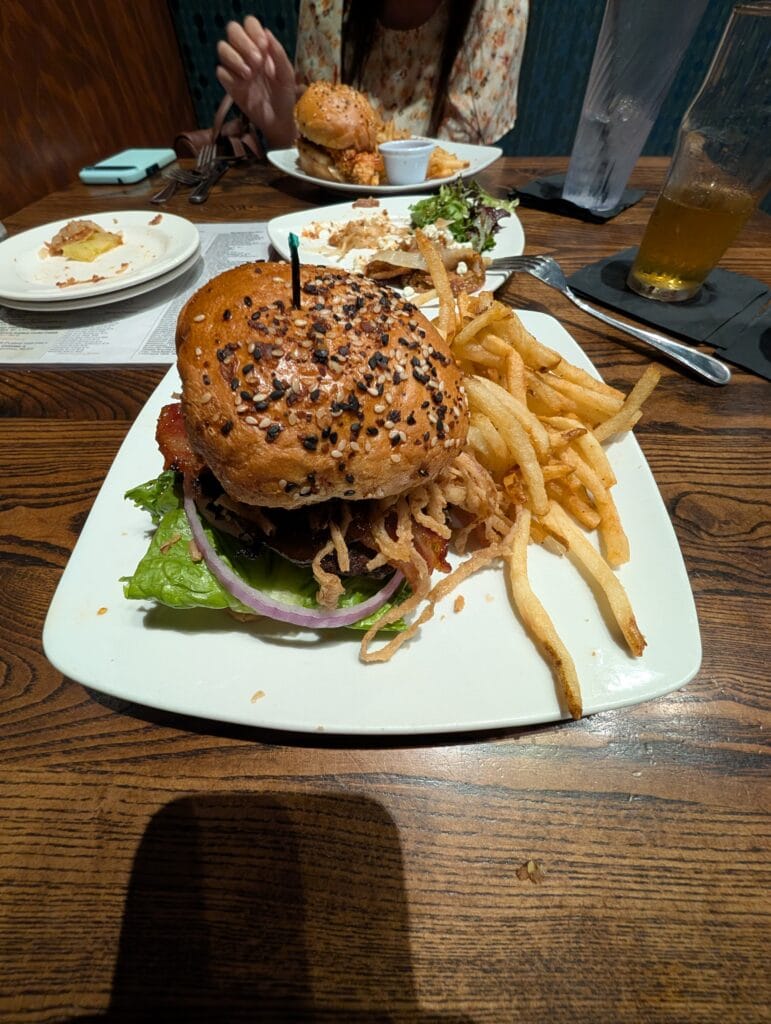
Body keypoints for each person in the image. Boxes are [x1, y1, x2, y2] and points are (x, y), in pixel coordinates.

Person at [216, 0, 528, 149]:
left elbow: (457, 168)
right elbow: (316, 163)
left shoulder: (499, 7)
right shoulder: (327, 6)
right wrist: (284, 126)